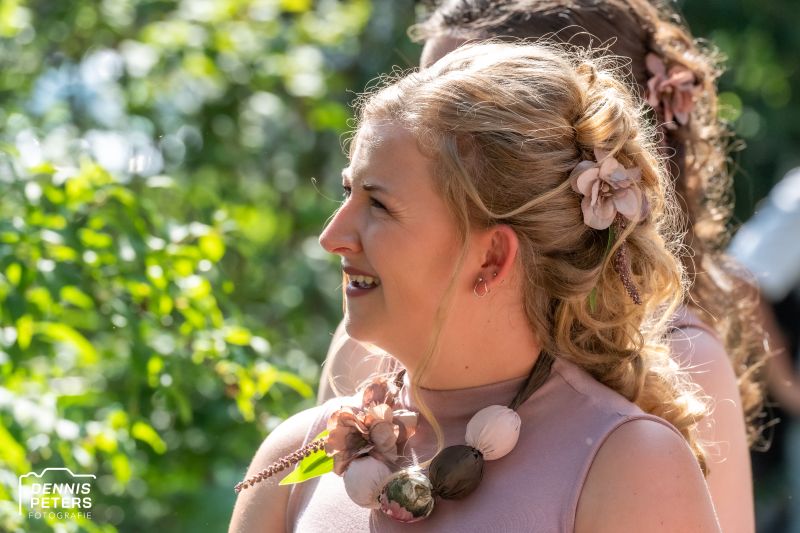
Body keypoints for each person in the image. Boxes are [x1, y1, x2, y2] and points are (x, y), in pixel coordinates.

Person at [229, 41, 720, 532]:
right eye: (347, 192)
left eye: (378, 205)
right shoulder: (296, 459)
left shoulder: (630, 468)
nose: (331, 236)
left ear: (492, 258)